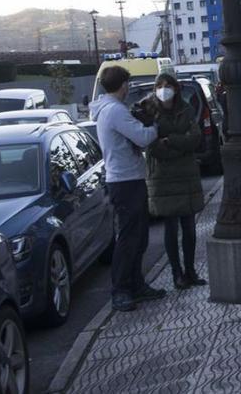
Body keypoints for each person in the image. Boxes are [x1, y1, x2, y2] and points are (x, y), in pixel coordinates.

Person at [91, 66, 165, 312]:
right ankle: (121, 290)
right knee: (128, 238)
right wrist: (155, 126)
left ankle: (136, 284)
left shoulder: (109, 109)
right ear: (122, 85)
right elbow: (143, 138)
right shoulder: (114, 111)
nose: (129, 88)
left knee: (139, 237)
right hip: (125, 181)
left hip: (127, 178)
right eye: (128, 84)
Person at [137, 74, 206, 290]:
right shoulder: (149, 111)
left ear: (176, 89)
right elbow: (154, 147)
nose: (164, 89)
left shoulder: (185, 108)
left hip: (186, 175)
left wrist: (172, 140)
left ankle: (190, 271)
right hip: (163, 177)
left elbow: (195, 138)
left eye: (168, 86)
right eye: (160, 86)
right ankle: (177, 273)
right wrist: (179, 144)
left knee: (189, 227)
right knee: (170, 227)